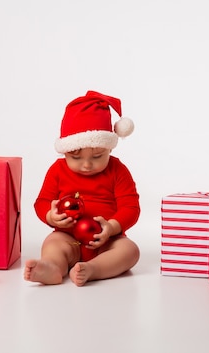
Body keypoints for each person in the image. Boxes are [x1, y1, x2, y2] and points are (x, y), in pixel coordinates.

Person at [24, 90, 140, 286]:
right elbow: (42, 202)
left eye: (97, 157)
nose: (86, 165)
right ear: (65, 152)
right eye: (76, 157)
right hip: (69, 239)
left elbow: (131, 208)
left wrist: (111, 227)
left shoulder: (117, 170)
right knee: (53, 243)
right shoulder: (57, 170)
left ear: (110, 148)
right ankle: (52, 267)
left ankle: (94, 269)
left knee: (130, 251)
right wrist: (51, 217)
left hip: (107, 241)